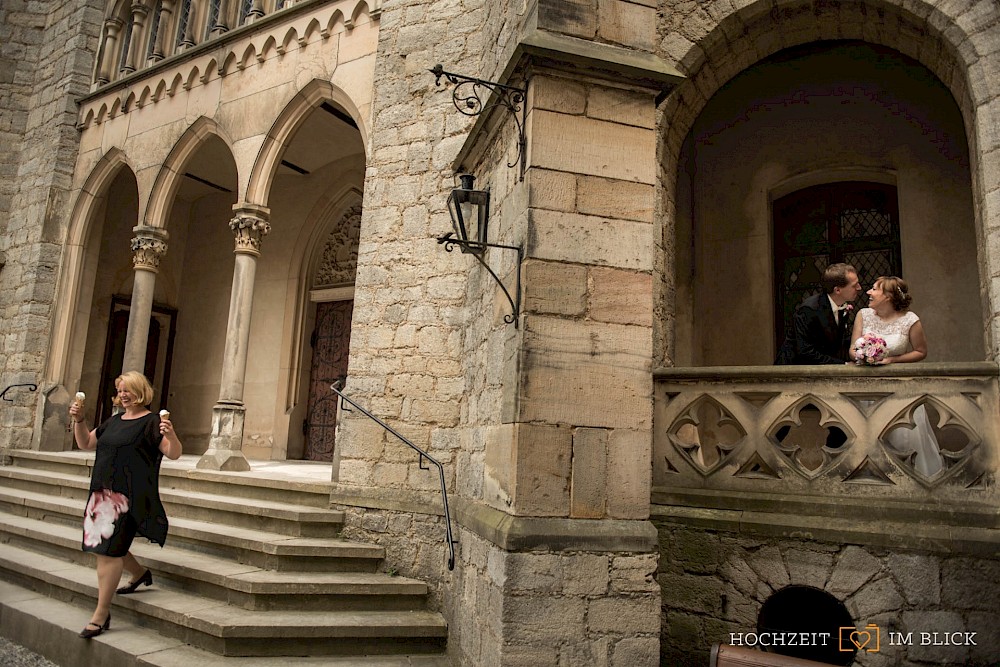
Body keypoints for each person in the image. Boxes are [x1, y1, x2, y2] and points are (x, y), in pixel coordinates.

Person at [69, 371, 182, 639]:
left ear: (141, 391)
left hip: (127, 499)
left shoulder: (153, 421)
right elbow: (86, 443)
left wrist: (172, 435)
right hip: (101, 495)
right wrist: (79, 420)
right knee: (105, 549)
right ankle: (140, 574)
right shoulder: (112, 421)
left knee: (109, 552)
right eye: (120, 389)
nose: (123, 394)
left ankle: (101, 613)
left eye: (128, 389)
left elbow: (174, 453)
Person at [850, 276, 940, 475]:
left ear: (888, 296)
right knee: (871, 438)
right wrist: (863, 355)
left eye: (874, 289)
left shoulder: (910, 320)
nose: (868, 292)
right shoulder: (863, 315)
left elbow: (920, 351)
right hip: (868, 390)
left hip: (899, 388)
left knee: (903, 438)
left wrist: (893, 360)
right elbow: (852, 349)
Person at [775, 263, 862, 364]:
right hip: (793, 369)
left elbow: (837, 344)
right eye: (854, 285)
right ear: (837, 290)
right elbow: (805, 352)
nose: (859, 288)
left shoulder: (843, 307)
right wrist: (842, 364)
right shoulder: (809, 310)